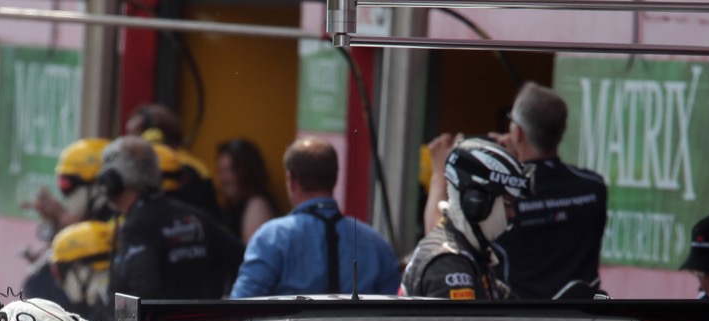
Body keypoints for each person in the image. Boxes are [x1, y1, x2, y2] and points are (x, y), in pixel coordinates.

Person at [423, 84, 608, 299]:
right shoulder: (594, 188)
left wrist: (439, 173)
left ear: (518, 133)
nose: (509, 210)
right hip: (579, 319)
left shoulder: (501, 201)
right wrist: (508, 164)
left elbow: (440, 234)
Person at [231, 137, 399, 298]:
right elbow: (393, 314)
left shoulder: (271, 239)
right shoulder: (377, 245)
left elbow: (240, 308)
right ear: (334, 178)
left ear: (291, 180)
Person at [103, 135, 243, 307]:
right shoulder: (194, 216)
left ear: (112, 181)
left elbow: (142, 298)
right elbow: (244, 260)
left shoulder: (136, 228)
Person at [400, 137, 528, 300]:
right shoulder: (450, 265)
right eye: (508, 204)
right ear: (477, 202)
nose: (512, 214)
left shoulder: (468, 252)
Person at [19, 138, 113, 311]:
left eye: (69, 187)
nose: (66, 196)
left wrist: (62, 222)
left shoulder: (115, 221)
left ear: (100, 185)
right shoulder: (96, 214)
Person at [125, 103, 219, 216]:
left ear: (153, 135)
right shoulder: (196, 166)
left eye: (134, 135)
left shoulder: (182, 169)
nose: (127, 142)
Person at [50, 218, 115, 321]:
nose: (60, 281)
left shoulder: (111, 314)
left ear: (83, 270)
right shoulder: (116, 305)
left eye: (62, 270)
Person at [216, 137, 279, 244]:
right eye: (220, 171)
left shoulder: (257, 205)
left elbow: (252, 253)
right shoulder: (232, 207)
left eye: (229, 171)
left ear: (247, 172)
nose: (223, 178)